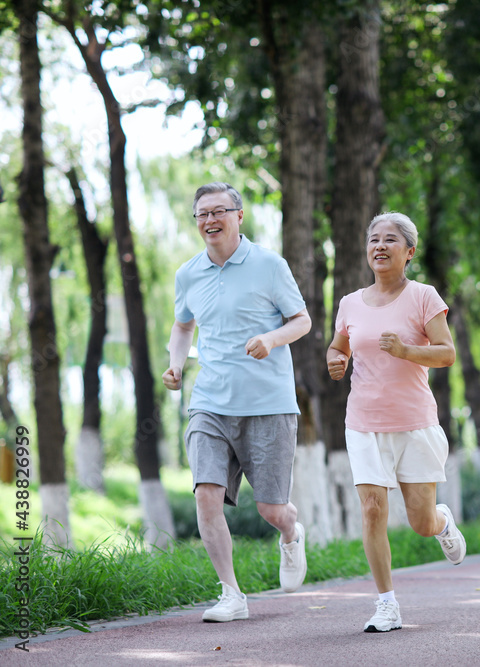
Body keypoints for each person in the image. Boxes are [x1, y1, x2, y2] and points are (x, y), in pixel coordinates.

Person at [162, 182, 311, 623]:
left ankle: (290, 530)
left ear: (238, 215)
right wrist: (175, 365)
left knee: (270, 509)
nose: (210, 220)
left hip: (269, 402)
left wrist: (270, 338)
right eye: (202, 214)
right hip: (210, 402)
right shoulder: (188, 273)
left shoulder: (268, 264)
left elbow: (301, 320)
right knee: (206, 496)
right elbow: (182, 326)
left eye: (219, 211)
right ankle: (231, 594)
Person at [327, 211, 466, 633]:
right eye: (373, 239)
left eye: (390, 240)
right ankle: (386, 603)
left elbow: (446, 353)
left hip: (414, 423)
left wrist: (406, 351)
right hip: (364, 422)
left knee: (420, 522)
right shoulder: (350, 302)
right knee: (372, 510)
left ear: (409, 251)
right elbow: (339, 347)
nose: (380, 246)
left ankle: (441, 521)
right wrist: (336, 360)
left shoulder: (424, 296)